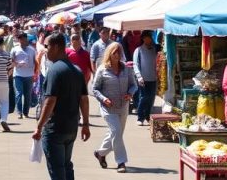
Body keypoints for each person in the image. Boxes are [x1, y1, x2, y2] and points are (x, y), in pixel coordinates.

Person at [33, 33, 90, 180]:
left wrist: (39, 126)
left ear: (56, 47)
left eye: (47, 46)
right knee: (66, 165)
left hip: (55, 128)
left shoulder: (54, 70)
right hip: (71, 127)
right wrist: (85, 124)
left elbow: (50, 101)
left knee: (57, 169)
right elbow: (84, 99)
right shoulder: (77, 70)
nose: (45, 49)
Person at [91, 42, 137, 173]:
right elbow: (95, 89)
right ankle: (121, 162)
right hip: (108, 108)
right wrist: (104, 99)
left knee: (116, 134)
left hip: (123, 107)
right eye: (114, 52)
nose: (117, 55)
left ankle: (100, 153)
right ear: (109, 54)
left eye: (119, 52)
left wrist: (130, 94)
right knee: (116, 132)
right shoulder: (102, 69)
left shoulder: (126, 69)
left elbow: (134, 85)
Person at [132, 31, 159, 125]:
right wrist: (139, 76)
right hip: (143, 78)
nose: (150, 40)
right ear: (143, 38)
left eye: (150, 38)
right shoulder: (138, 50)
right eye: (148, 38)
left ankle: (147, 116)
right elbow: (136, 64)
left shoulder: (155, 49)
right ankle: (140, 117)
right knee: (143, 97)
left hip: (153, 78)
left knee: (151, 98)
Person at [11, 32, 38, 119]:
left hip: (29, 75)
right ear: (19, 40)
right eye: (22, 39)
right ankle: (19, 112)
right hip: (18, 75)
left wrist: (35, 73)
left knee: (28, 95)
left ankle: (25, 112)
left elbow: (36, 62)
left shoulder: (32, 50)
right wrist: (18, 64)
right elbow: (11, 62)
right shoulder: (15, 49)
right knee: (18, 94)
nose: (24, 41)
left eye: (25, 39)